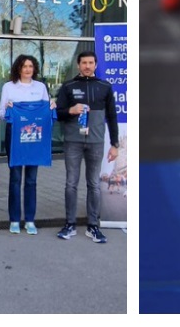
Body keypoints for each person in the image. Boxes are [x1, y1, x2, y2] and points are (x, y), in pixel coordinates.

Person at [54, 51, 119, 244]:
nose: (87, 66)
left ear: (96, 65)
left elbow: (112, 117)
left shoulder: (105, 87)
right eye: (84, 63)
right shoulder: (68, 86)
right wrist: (70, 110)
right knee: (71, 183)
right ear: (78, 64)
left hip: (96, 143)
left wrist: (115, 144)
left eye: (91, 62)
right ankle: (70, 224)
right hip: (73, 141)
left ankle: (93, 226)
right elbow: (58, 113)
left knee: (93, 184)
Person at [0, 54, 55, 235]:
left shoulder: (41, 87)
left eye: (30, 66)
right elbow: (0, 114)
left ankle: (30, 219)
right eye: (24, 66)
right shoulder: (9, 86)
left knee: (31, 180)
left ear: (34, 68)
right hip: (15, 135)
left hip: (35, 137)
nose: (28, 69)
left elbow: (46, 113)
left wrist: (51, 106)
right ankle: (14, 219)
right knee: (15, 179)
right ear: (18, 68)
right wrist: (7, 108)